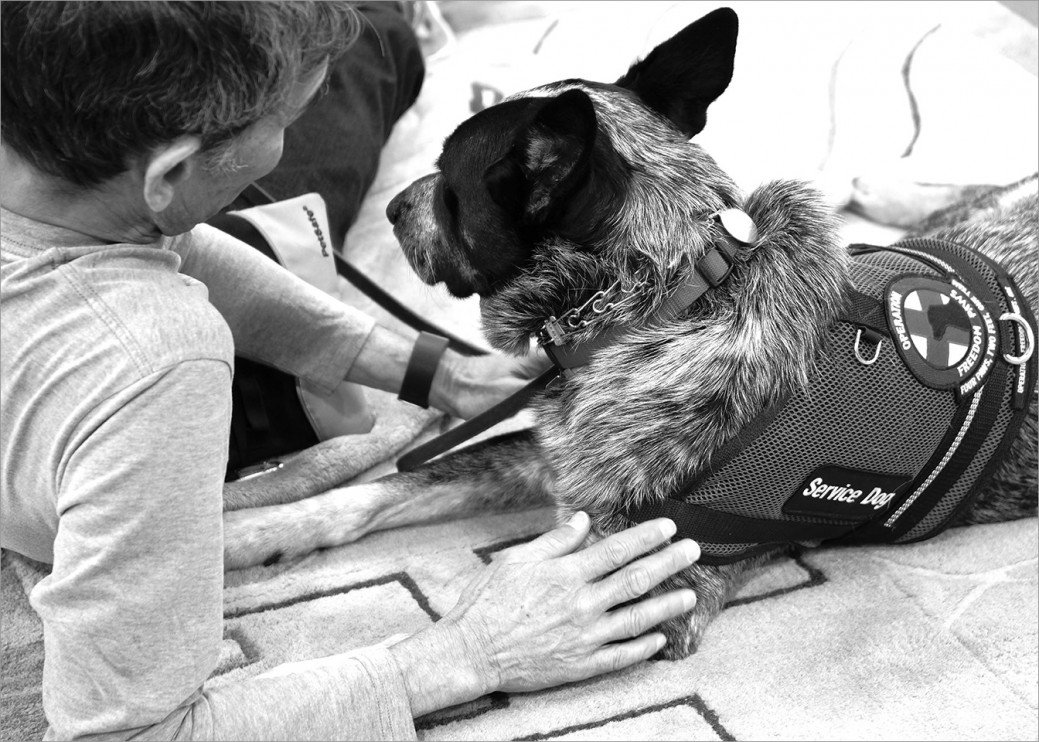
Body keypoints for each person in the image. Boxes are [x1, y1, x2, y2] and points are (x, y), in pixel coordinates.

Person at [0, 2, 702, 740]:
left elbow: (166, 241)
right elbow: (125, 736)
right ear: (170, 172)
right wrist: (464, 653)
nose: (286, 137)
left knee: (364, 66)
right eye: (283, 121)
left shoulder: (56, 181)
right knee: (379, 65)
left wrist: (434, 374)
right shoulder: (153, 365)